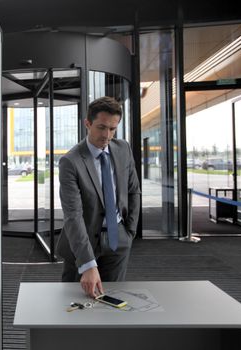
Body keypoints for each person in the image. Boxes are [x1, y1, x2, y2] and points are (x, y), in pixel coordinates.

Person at [57, 96, 141, 298]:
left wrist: (128, 232)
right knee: (74, 304)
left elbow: (133, 191)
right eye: (101, 127)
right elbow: (73, 216)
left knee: (112, 301)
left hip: (118, 239)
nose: (107, 135)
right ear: (87, 123)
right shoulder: (71, 161)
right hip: (82, 242)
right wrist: (86, 263)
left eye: (112, 129)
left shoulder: (123, 149)